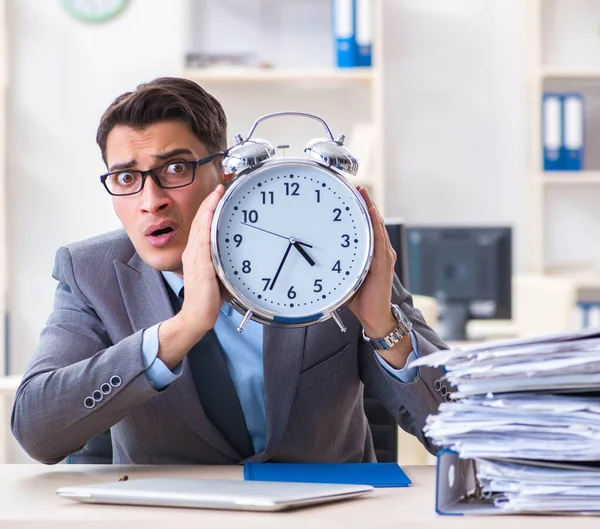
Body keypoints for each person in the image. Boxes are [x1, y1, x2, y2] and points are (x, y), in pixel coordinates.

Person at [11, 77, 448, 465]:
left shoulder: (339, 262)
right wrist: (182, 329)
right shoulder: (90, 273)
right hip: (172, 520)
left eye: (175, 168)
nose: (151, 200)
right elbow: (37, 431)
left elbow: (467, 433)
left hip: (329, 515)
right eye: (126, 178)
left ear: (224, 172)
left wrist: (383, 326)